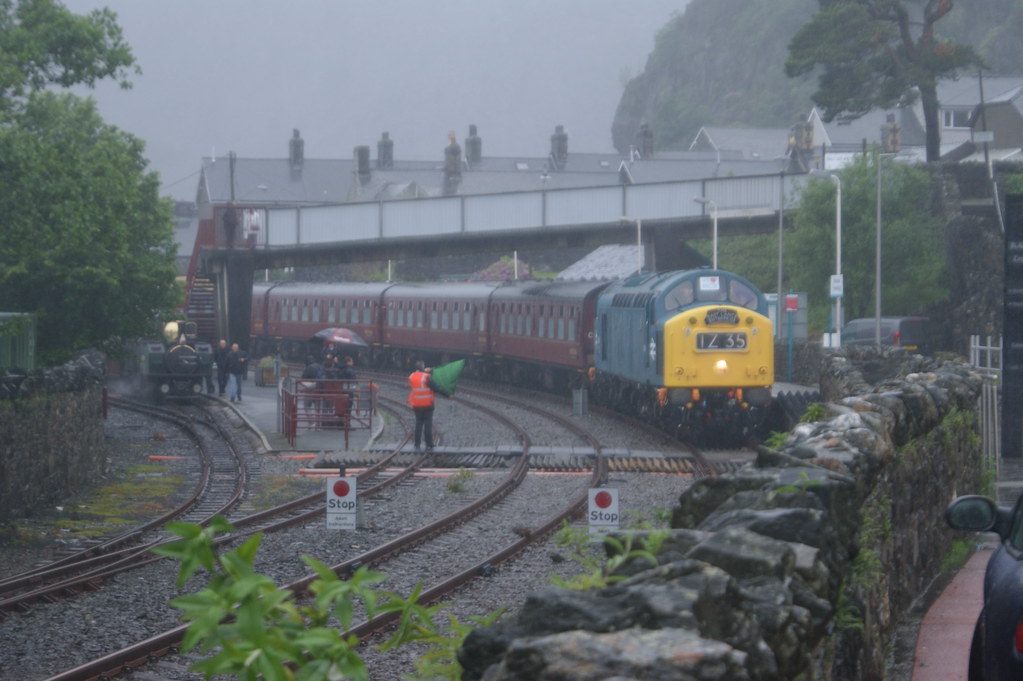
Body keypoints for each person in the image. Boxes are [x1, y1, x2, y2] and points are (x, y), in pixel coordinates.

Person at [408, 360, 451, 452]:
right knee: (428, 424)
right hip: (427, 404)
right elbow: (436, 388)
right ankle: (429, 444)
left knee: (418, 424)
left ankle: (417, 443)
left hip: (416, 404)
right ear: (423, 367)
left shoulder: (411, 377)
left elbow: (418, 379)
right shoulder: (427, 377)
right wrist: (447, 394)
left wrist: (423, 371)